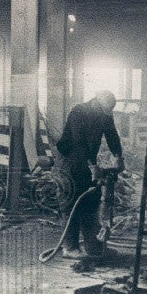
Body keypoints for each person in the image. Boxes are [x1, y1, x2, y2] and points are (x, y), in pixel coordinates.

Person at [54, 89, 125, 259]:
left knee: (91, 200)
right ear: (96, 102)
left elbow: (112, 136)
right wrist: (92, 166)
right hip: (69, 161)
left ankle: (92, 245)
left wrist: (118, 156)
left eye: (109, 112)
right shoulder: (79, 111)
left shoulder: (105, 113)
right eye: (105, 110)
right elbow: (79, 142)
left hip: (86, 160)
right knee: (72, 201)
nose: (107, 115)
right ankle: (69, 247)